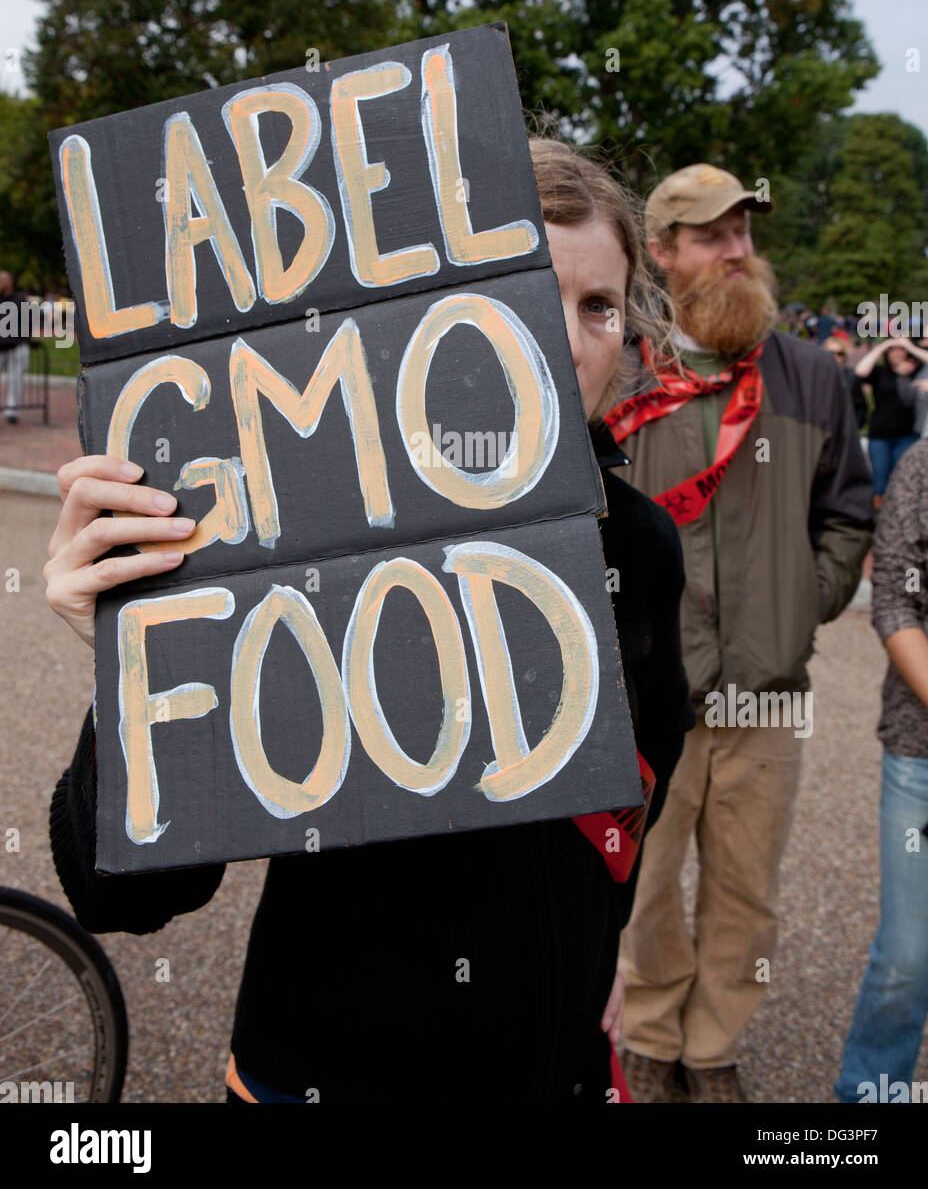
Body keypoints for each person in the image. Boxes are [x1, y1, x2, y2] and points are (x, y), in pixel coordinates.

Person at [44, 135, 694, 1104]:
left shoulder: (640, 544)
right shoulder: (297, 526)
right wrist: (135, 653)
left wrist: (613, 954)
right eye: (524, 285)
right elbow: (122, 897)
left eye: (597, 305)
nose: (564, 338)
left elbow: (638, 788)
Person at [608, 162, 873, 1103]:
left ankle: (712, 1045)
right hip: (650, 695)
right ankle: (647, 1026)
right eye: (713, 236)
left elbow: (848, 512)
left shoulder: (807, 374)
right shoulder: (623, 371)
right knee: (645, 880)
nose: (736, 252)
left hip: (767, 695)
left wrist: (800, 604)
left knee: (747, 890)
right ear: (664, 253)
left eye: (744, 234)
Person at [834, 440, 928, 1103]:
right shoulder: (923, 466)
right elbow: (894, 603)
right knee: (907, 956)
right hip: (921, 748)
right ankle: (870, 1097)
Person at [855, 337, 928, 505]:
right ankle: (879, 516)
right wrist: (883, 346)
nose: (896, 352)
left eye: (900, 349)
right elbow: (860, 370)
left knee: (902, 478)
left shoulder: (916, 371)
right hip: (880, 435)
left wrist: (908, 345)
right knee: (879, 481)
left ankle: (898, 515)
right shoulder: (881, 372)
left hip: (907, 435)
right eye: (892, 349)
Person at [0, 270, 31, 423]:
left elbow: (27, 323)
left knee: (15, 379)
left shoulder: (20, 300)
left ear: (9, 282)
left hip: (16, 347)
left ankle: (12, 411)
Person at [823, 332, 867, 430]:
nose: (835, 357)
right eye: (831, 353)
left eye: (840, 354)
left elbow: (860, 407)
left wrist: (854, 428)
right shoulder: (816, 376)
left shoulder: (851, 377)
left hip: (844, 431)